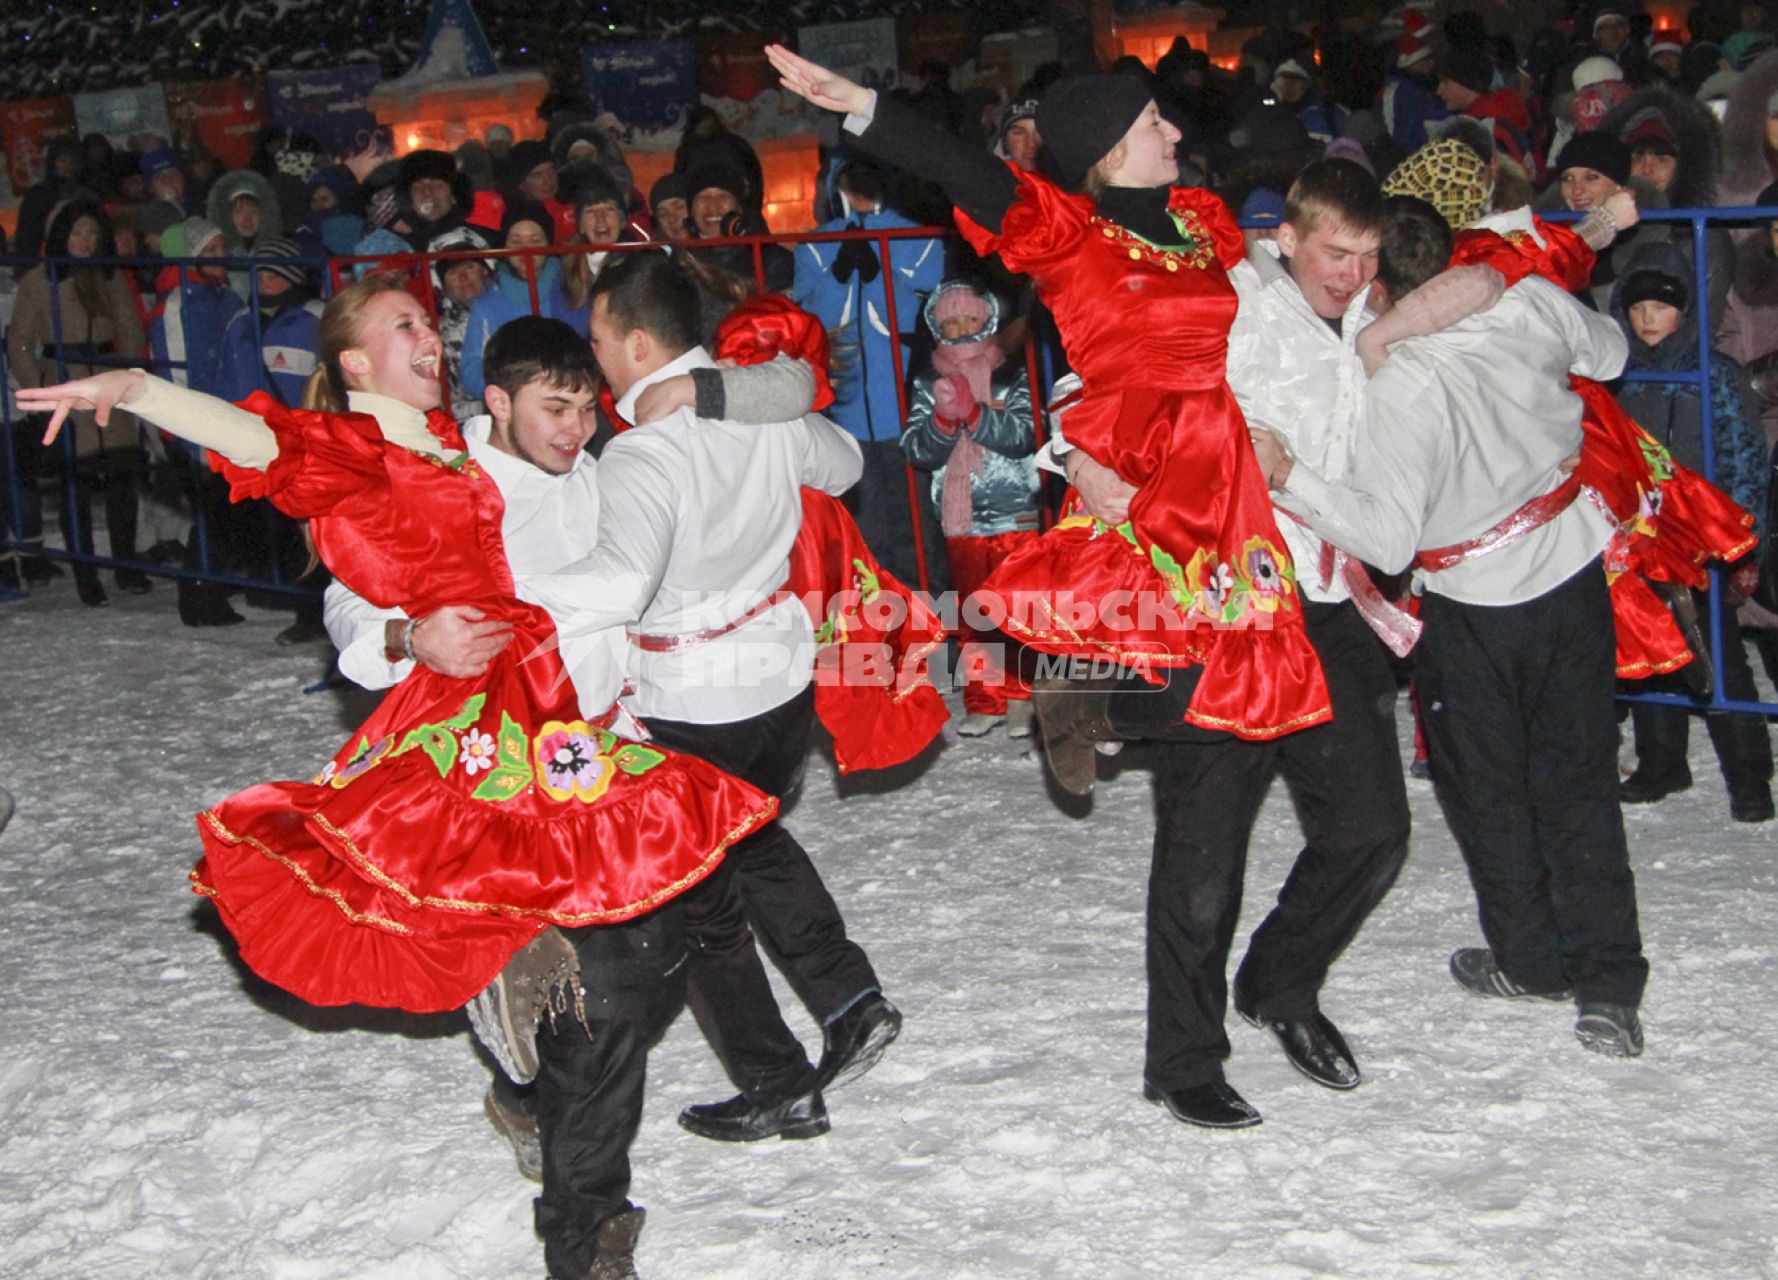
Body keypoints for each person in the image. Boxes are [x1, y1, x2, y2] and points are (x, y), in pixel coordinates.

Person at [767, 45, 1332, 1129]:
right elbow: (976, 179)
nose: (1172, 129)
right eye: (1152, 120)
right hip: (1139, 494)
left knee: (1236, 741)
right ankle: (1182, 1038)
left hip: (1222, 498)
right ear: (1109, 146)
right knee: (1208, 745)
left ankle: (1092, 718)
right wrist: (873, 110)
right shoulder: (1071, 232)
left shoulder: (1206, 223)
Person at [17, 274, 776, 1028]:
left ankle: (543, 1023)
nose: (428, 338)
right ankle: (534, 1024)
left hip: (540, 695)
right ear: (354, 363)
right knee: (582, 895)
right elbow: (260, 439)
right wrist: (140, 389)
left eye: (425, 322)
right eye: (404, 326)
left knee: (604, 884)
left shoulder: (455, 437)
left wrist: (716, 392)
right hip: (476, 707)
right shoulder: (357, 449)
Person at [1253, 195, 1651, 1060]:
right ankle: (1612, 983)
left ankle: (1533, 960)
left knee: (1489, 789)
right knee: (1579, 778)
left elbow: (1389, 540)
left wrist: (1290, 480)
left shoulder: (1402, 382)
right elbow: (1613, 352)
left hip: (1475, 606)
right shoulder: (1528, 300)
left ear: (1383, 286)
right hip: (1573, 572)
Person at [520, 251, 906, 1140]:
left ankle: (777, 1084)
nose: (596, 359)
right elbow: (844, 462)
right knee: (754, 840)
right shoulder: (748, 408)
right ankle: (847, 996)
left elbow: (619, 587)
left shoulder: (645, 452)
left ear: (642, 342)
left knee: (699, 908)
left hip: (695, 703)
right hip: (778, 685)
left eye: (601, 340)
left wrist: (513, 601)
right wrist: (740, 403)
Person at [1609, 245, 1774, 822]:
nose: (1649, 318)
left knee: (1717, 656)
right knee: (1652, 649)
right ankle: (1660, 760)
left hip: (1700, 539)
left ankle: (1750, 774)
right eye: (1638, 306)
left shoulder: (1713, 375)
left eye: (1663, 306)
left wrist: (1740, 540)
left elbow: (1744, 460)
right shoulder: (1617, 377)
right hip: (1637, 541)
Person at [791, 158, 946, 590]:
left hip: (907, 408)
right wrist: (839, 277)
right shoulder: (815, 245)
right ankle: (881, 636)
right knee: (865, 531)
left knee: (917, 528)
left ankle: (934, 634)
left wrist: (878, 275)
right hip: (844, 412)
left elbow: (920, 313)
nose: (859, 194)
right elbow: (813, 325)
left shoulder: (919, 236)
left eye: (867, 183)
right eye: (849, 184)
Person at [900, 279, 1038, 737]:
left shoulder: (1010, 375)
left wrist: (976, 415)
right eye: (950, 321)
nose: (960, 329)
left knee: (1018, 608)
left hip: (1014, 511)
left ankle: (1023, 696)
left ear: (988, 320)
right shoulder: (927, 382)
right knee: (974, 613)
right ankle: (985, 697)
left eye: (970, 319)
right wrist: (942, 421)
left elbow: (1024, 436)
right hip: (961, 518)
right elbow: (918, 449)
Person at [6, 199, 150, 607]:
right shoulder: (40, 280)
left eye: (91, 233)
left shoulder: (109, 276)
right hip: (65, 381)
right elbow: (20, 342)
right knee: (77, 483)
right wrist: (42, 388)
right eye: (76, 233)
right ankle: (86, 571)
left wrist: (129, 372)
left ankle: (127, 563)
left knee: (122, 477)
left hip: (107, 377)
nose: (85, 242)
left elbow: (130, 327)